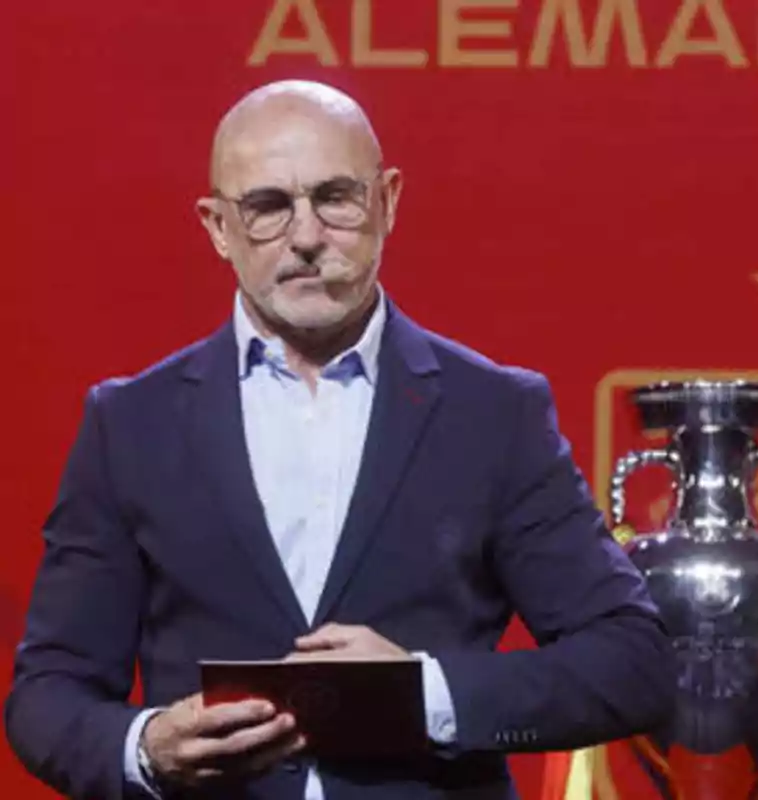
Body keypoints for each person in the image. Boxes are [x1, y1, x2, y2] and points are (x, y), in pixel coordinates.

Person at [3, 80, 674, 799]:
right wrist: (145, 748)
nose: (306, 236)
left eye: (335, 197)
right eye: (267, 207)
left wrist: (426, 695)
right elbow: (48, 693)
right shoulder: (131, 423)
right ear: (217, 227)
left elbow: (631, 661)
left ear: (387, 201)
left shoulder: (494, 412)